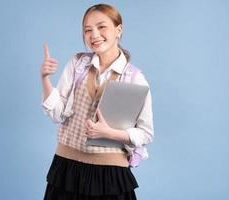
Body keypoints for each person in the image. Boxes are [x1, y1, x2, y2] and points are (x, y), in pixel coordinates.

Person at [40, 3, 154, 200]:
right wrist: (45, 79)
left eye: (102, 27)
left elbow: (146, 133)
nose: (94, 35)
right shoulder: (78, 64)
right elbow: (57, 114)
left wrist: (109, 133)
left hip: (109, 175)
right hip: (67, 168)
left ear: (118, 30)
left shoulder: (135, 78)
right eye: (87, 30)